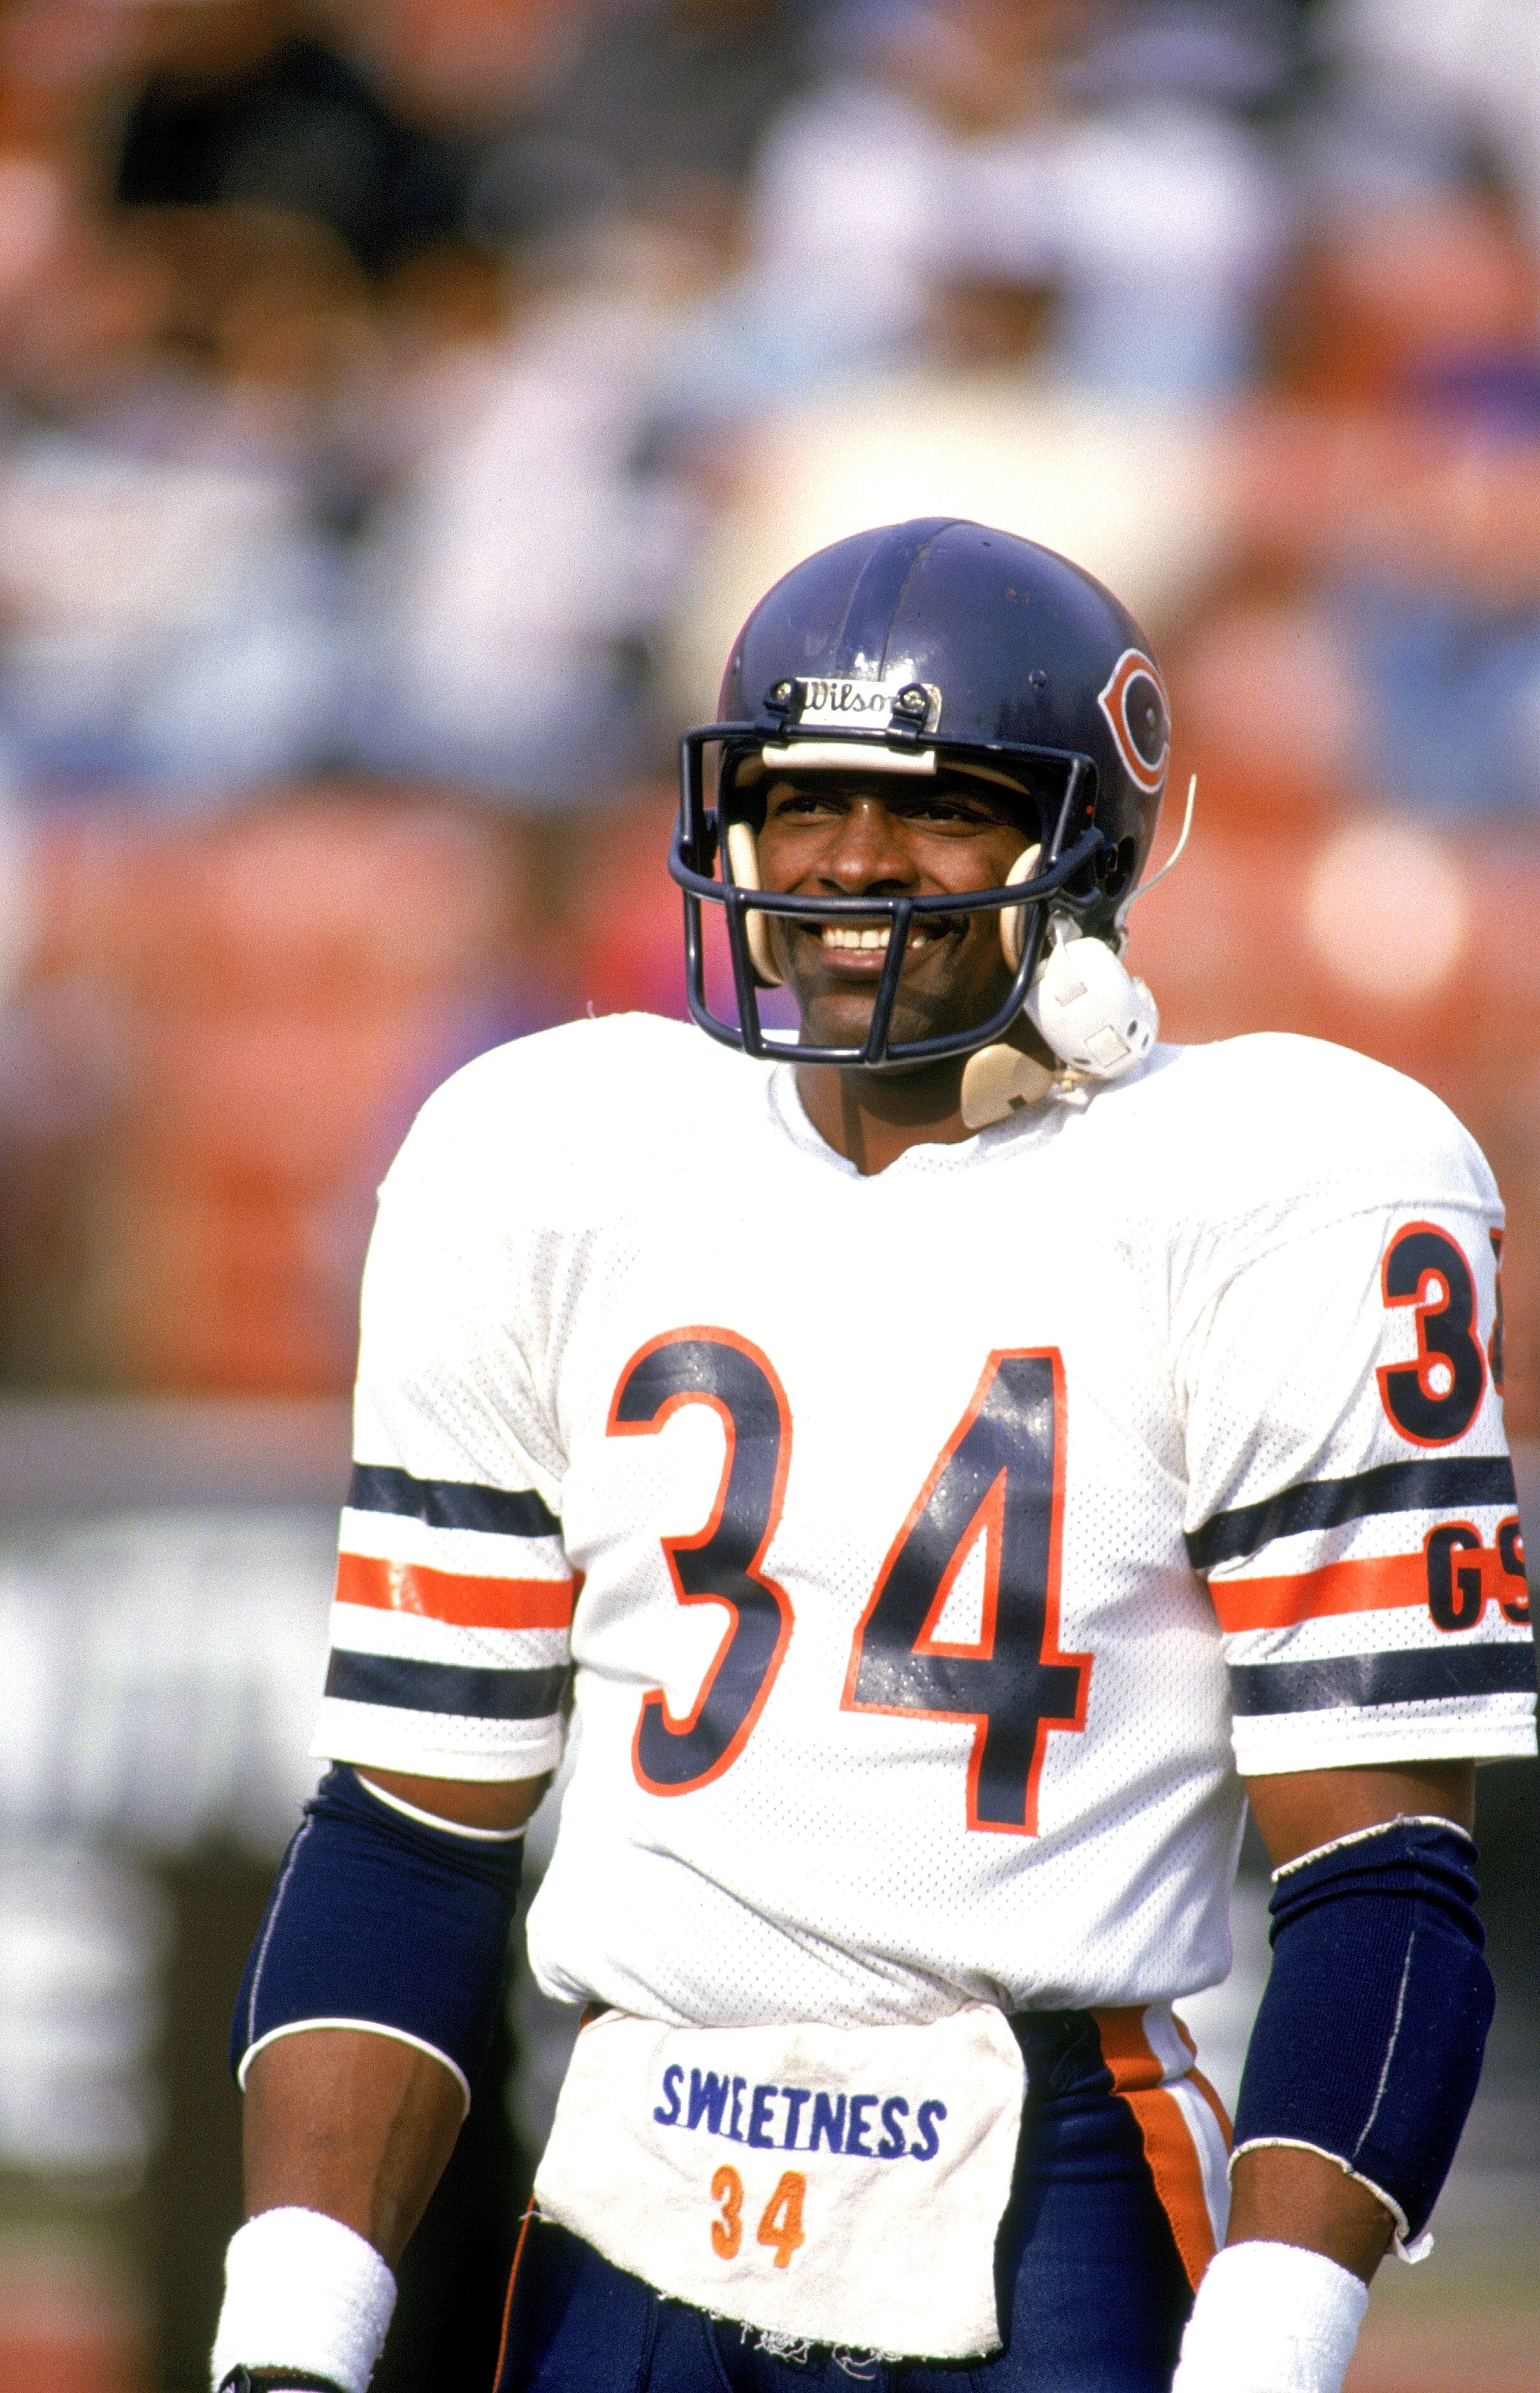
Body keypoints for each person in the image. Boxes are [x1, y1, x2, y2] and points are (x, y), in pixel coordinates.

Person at [209, 519, 1536, 2393]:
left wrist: (1268, 2341)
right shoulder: (550, 1159)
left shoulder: (1278, 1187)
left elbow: (1383, 1872)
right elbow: (413, 1821)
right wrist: (293, 2342)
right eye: (801, 793)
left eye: (939, 806)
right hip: (631, 2174)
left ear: (1084, 846)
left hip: (1045, 2177)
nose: (848, 860)